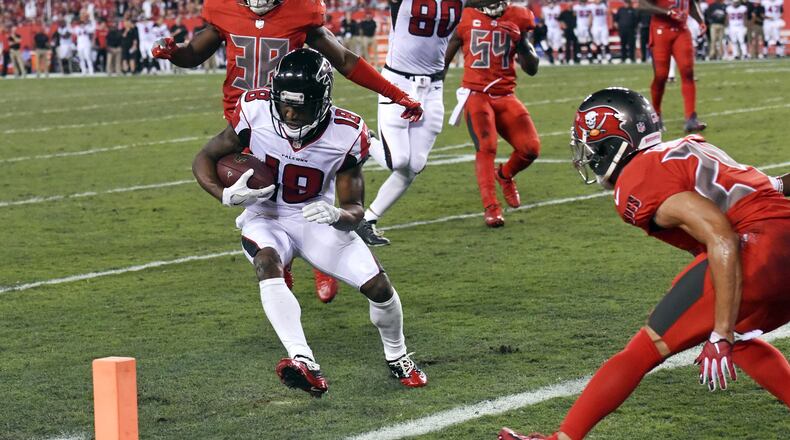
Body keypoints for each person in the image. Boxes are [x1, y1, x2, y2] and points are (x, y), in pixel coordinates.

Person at [499, 87, 790, 440]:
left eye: (591, 147)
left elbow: (721, 236)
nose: (588, 157)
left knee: (644, 350)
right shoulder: (691, 145)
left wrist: (721, 333)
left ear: (613, 143)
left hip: (755, 251)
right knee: (743, 336)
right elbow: (771, 187)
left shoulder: (638, 179)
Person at [151, 0, 425, 303]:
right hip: (246, 119)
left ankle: (323, 261)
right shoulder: (223, 9)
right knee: (265, 192)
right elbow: (194, 53)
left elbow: (345, 60)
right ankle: (282, 260)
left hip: (295, 114)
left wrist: (396, 95)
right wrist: (174, 53)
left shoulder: (302, 10)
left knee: (307, 183)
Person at [191, 48, 428, 397]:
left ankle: (398, 356)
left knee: (380, 288)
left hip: (314, 217)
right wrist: (223, 195)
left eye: (299, 107)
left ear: (323, 101)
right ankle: (303, 361)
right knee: (266, 262)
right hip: (265, 216)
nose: (289, 113)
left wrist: (339, 216)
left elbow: (354, 206)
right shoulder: (255, 110)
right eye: (284, 104)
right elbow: (205, 158)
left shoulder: (347, 132)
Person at [356, 0, 503, 245]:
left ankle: (368, 219)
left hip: (432, 86)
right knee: (398, 161)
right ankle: (365, 137)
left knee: (414, 165)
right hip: (397, 83)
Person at [444, 0, 540, 227]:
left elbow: (532, 68)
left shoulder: (519, 16)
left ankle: (505, 175)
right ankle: (491, 207)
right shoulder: (464, 15)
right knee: (487, 147)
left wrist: (520, 41)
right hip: (476, 94)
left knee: (531, 148)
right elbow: (444, 58)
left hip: (505, 95)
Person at [638, 0, 706, 133]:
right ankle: (655, 116)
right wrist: (667, 12)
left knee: (688, 72)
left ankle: (691, 118)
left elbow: (691, 4)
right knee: (661, 76)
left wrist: (700, 21)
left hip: (681, 29)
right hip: (660, 29)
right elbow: (643, 5)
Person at [543, 0, 563, 64]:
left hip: (556, 28)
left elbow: (561, 17)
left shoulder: (558, 8)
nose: (551, 3)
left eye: (552, 2)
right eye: (549, 2)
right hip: (548, 28)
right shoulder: (544, 9)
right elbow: (542, 18)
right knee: (548, 44)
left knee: (556, 44)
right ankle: (549, 58)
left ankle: (557, 58)